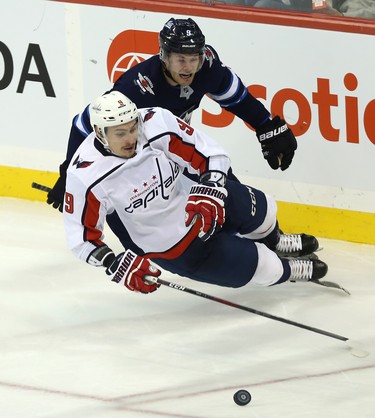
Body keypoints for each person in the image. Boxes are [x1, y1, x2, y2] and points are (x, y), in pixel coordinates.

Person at [63, 91, 327, 294]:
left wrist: (210, 188)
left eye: (133, 128)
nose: (131, 137)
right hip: (170, 245)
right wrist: (113, 262)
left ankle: (275, 240)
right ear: (100, 132)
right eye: (121, 133)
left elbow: (211, 152)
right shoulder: (86, 173)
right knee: (264, 267)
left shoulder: (155, 122)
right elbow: (82, 239)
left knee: (265, 209)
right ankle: (290, 270)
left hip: (197, 200)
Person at [48, 17, 297, 213]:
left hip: (181, 144)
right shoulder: (137, 86)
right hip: (146, 158)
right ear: (164, 57)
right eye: (180, 59)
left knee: (230, 193)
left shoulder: (207, 66)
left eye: (193, 59)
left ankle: (270, 240)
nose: (188, 67)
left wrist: (265, 125)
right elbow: (83, 124)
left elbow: (237, 97)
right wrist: (67, 172)